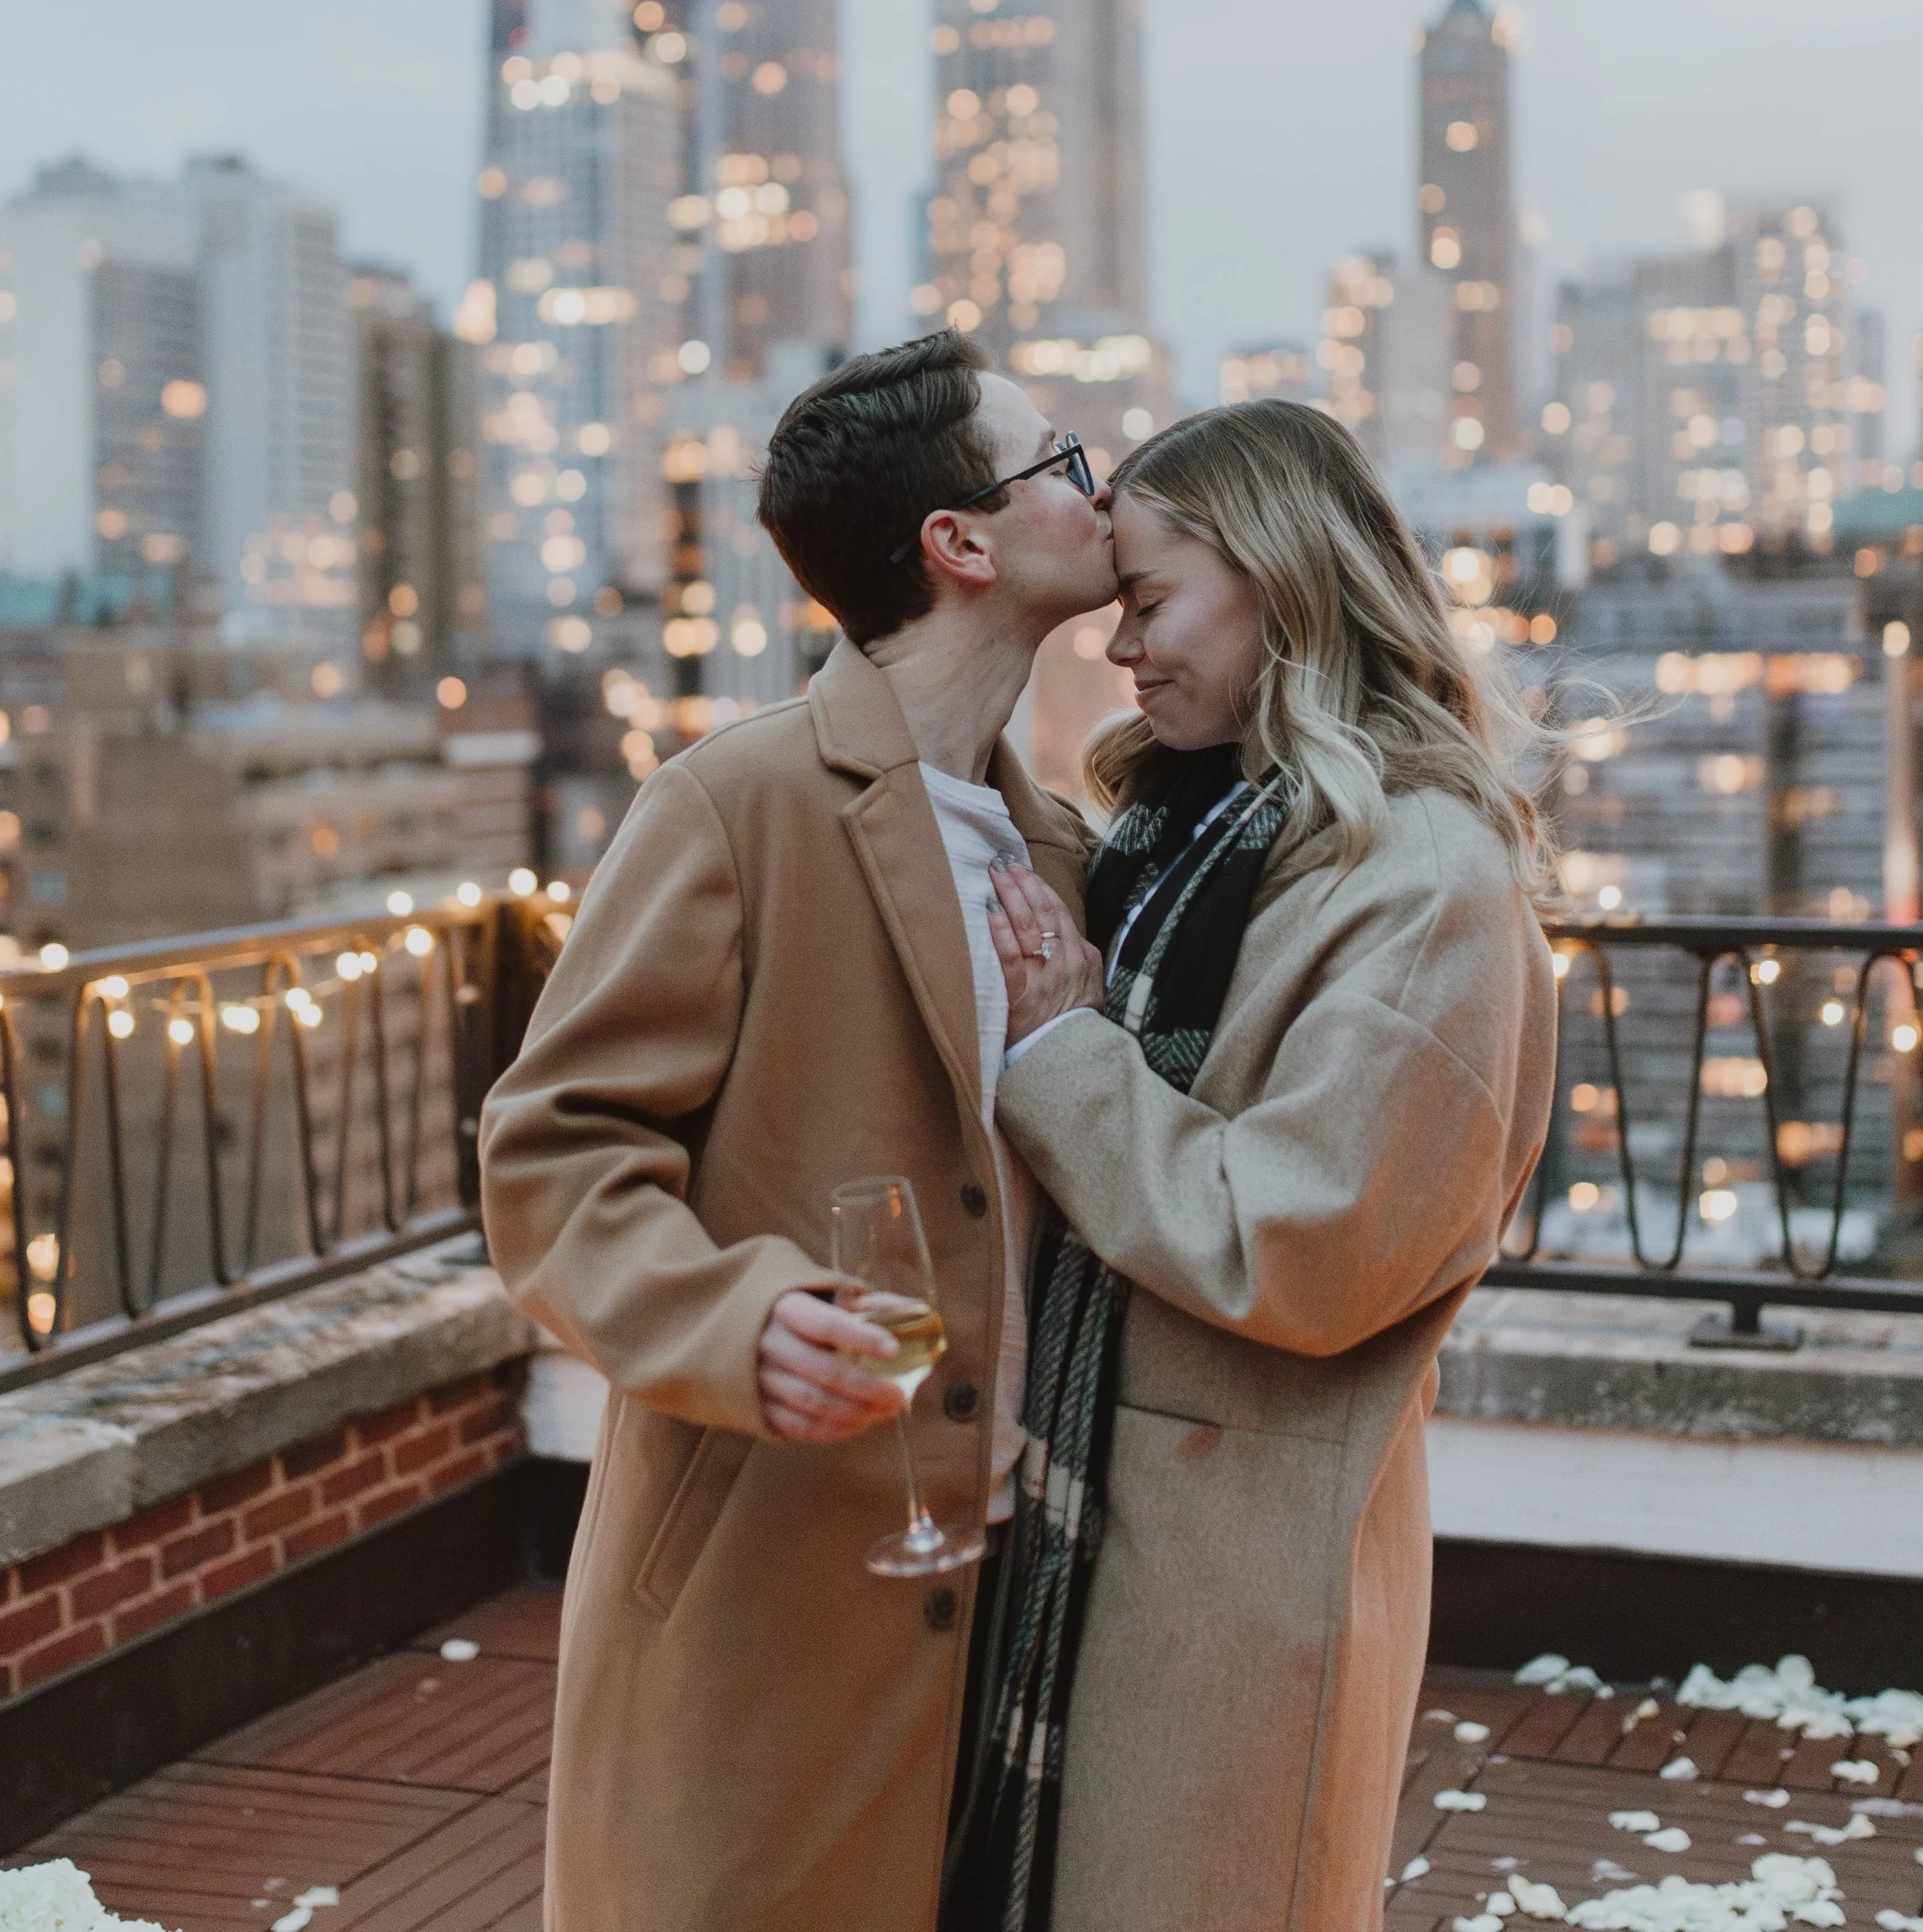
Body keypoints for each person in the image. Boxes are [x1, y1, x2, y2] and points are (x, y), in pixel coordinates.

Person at [477, 332, 1116, 1932]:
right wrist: (734, 1314)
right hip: (767, 1578)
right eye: (1062, 462)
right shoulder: (733, 802)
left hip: (1008, 1590)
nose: (1098, 490)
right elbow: (553, 1156)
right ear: (958, 543)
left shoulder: (1065, 843)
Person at [944, 397, 1559, 1932]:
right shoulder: (1184, 831)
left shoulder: (1423, 883)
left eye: (1149, 603)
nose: (1124, 650)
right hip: (1125, 1532)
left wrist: (1061, 1053)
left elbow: (1303, 1243)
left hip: (1238, 1566)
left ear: (1283, 574)